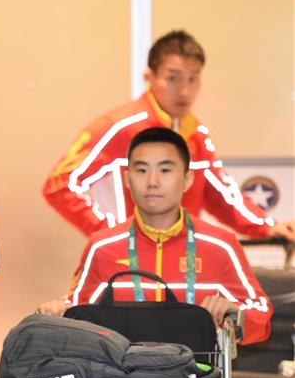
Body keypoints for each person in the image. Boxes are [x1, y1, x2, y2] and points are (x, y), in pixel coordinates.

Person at [42, 29, 294, 241]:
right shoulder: (119, 127)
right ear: (149, 77)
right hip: (124, 266)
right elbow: (59, 184)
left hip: (182, 262)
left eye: (193, 79)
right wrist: (111, 233)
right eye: (173, 79)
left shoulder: (193, 133)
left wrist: (267, 226)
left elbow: (220, 194)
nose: (184, 91)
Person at [38, 127, 272, 346]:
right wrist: (56, 309)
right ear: (128, 180)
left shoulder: (220, 245)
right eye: (141, 170)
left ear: (188, 180)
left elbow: (261, 316)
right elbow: (76, 307)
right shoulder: (103, 246)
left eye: (165, 170)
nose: (152, 182)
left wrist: (234, 312)